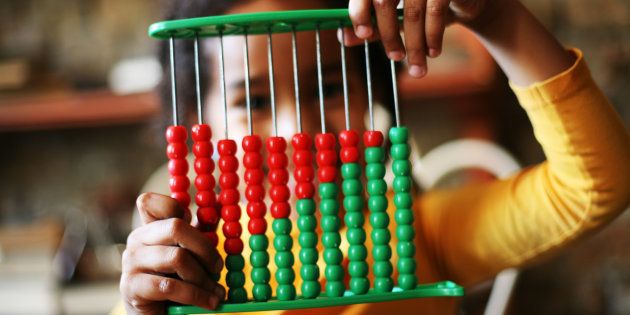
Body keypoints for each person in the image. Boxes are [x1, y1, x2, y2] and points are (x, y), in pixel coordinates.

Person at [117, 0, 630, 314]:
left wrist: (495, 15)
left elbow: (595, 184)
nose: (300, 131)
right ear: (198, 124)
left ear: (373, 94)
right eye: (251, 101)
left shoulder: (421, 236)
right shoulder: (186, 274)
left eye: (329, 87)